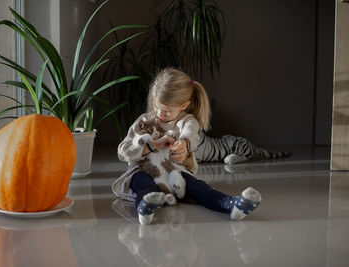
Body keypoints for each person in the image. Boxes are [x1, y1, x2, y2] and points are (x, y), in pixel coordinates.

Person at [112, 68, 262, 225]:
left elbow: (190, 133)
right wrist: (151, 146)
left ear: (184, 105)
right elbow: (123, 152)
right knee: (142, 182)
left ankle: (232, 205)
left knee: (199, 188)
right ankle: (145, 207)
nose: (160, 114)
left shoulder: (187, 121)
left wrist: (184, 144)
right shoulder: (144, 121)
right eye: (157, 107)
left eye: (167, 111)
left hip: (174, 175)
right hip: (144, 171)